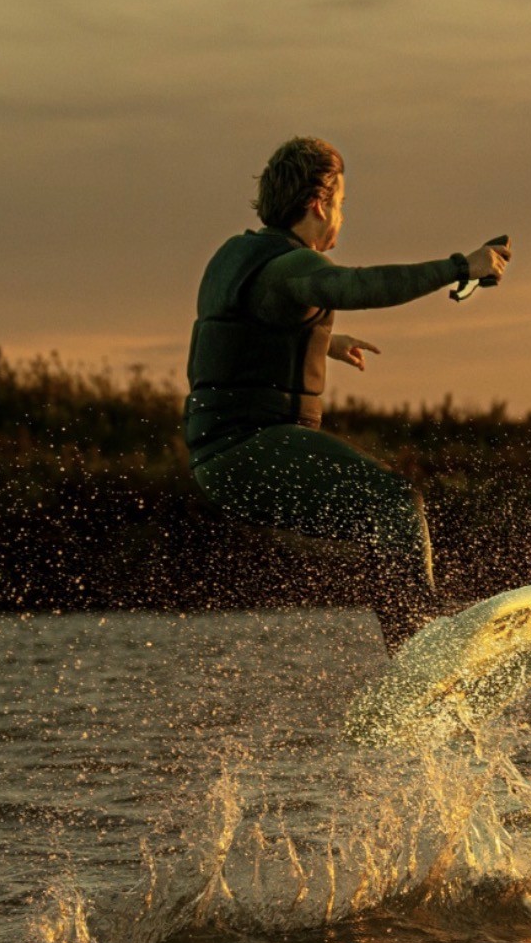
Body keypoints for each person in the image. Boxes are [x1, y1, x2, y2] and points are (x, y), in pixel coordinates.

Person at [184, 136, 511, 653]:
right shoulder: (292, 268)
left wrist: (322, 342)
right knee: (396, 504)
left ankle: (410, 653)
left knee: (379, 526)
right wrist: (460, 266)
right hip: (251, 450)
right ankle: (420, 647)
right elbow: (358, 287)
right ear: (317, 203)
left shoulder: (238, 257)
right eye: (341, 203)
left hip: (223, 464)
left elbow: (234, 332)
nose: (341, 214)